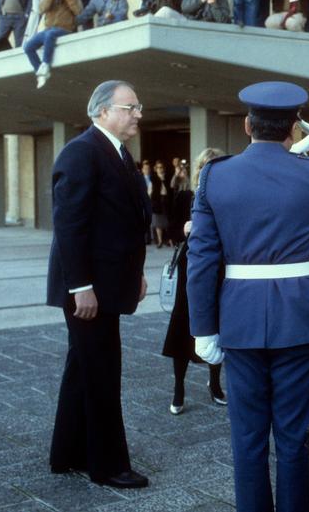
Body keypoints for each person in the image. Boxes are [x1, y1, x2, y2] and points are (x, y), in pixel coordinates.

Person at [187, 81, 309, 512]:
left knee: (248, 440)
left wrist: (202, 328)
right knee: (294, 438)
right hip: (301, 317)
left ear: (246, 125)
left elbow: (201, 259)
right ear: (295, 129)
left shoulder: (216, 175)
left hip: (239, 320)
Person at [46, 80, 151, 489]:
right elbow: (69, 226)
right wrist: (80, 287)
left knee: (83, 368)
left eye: (138, 106)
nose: (138, 113)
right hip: (87, 289)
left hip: (107, 283)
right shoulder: (82, 151)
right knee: (102, 373)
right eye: (130, 106)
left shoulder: (117, 152)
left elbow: (125, 224)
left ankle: (66, 453)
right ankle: (107, 466)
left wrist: (135, 273)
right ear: (102, 111)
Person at [162, 148, 226, 416]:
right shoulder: (187, 196)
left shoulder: (228, 197)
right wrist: (184, 229)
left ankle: (215, 382)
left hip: (221, 267)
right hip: (191, 268)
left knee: (217, 323)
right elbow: (170, 229)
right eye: (206, 166)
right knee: (182, 325)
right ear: (200, 170)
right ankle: (179, 388)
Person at [23, 0, 82, 89]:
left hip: (65, 29)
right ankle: (40, 72)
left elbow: (78, 11)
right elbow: (41, 9)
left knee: (50, 35)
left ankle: (45, 64)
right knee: (28, 46)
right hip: (48, 29)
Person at [150, 160, 171, 247]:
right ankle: (160, 240)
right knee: (158, 222)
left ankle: (168, 240)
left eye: (161, 167)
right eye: (158, 168)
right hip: (157, 201)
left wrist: (163, 179)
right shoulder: (153, 178)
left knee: (167, 221)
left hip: (166, 200)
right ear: (155, 169)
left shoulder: (167, 178)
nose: (160, 169)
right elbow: (153, 191)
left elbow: (170, 189)